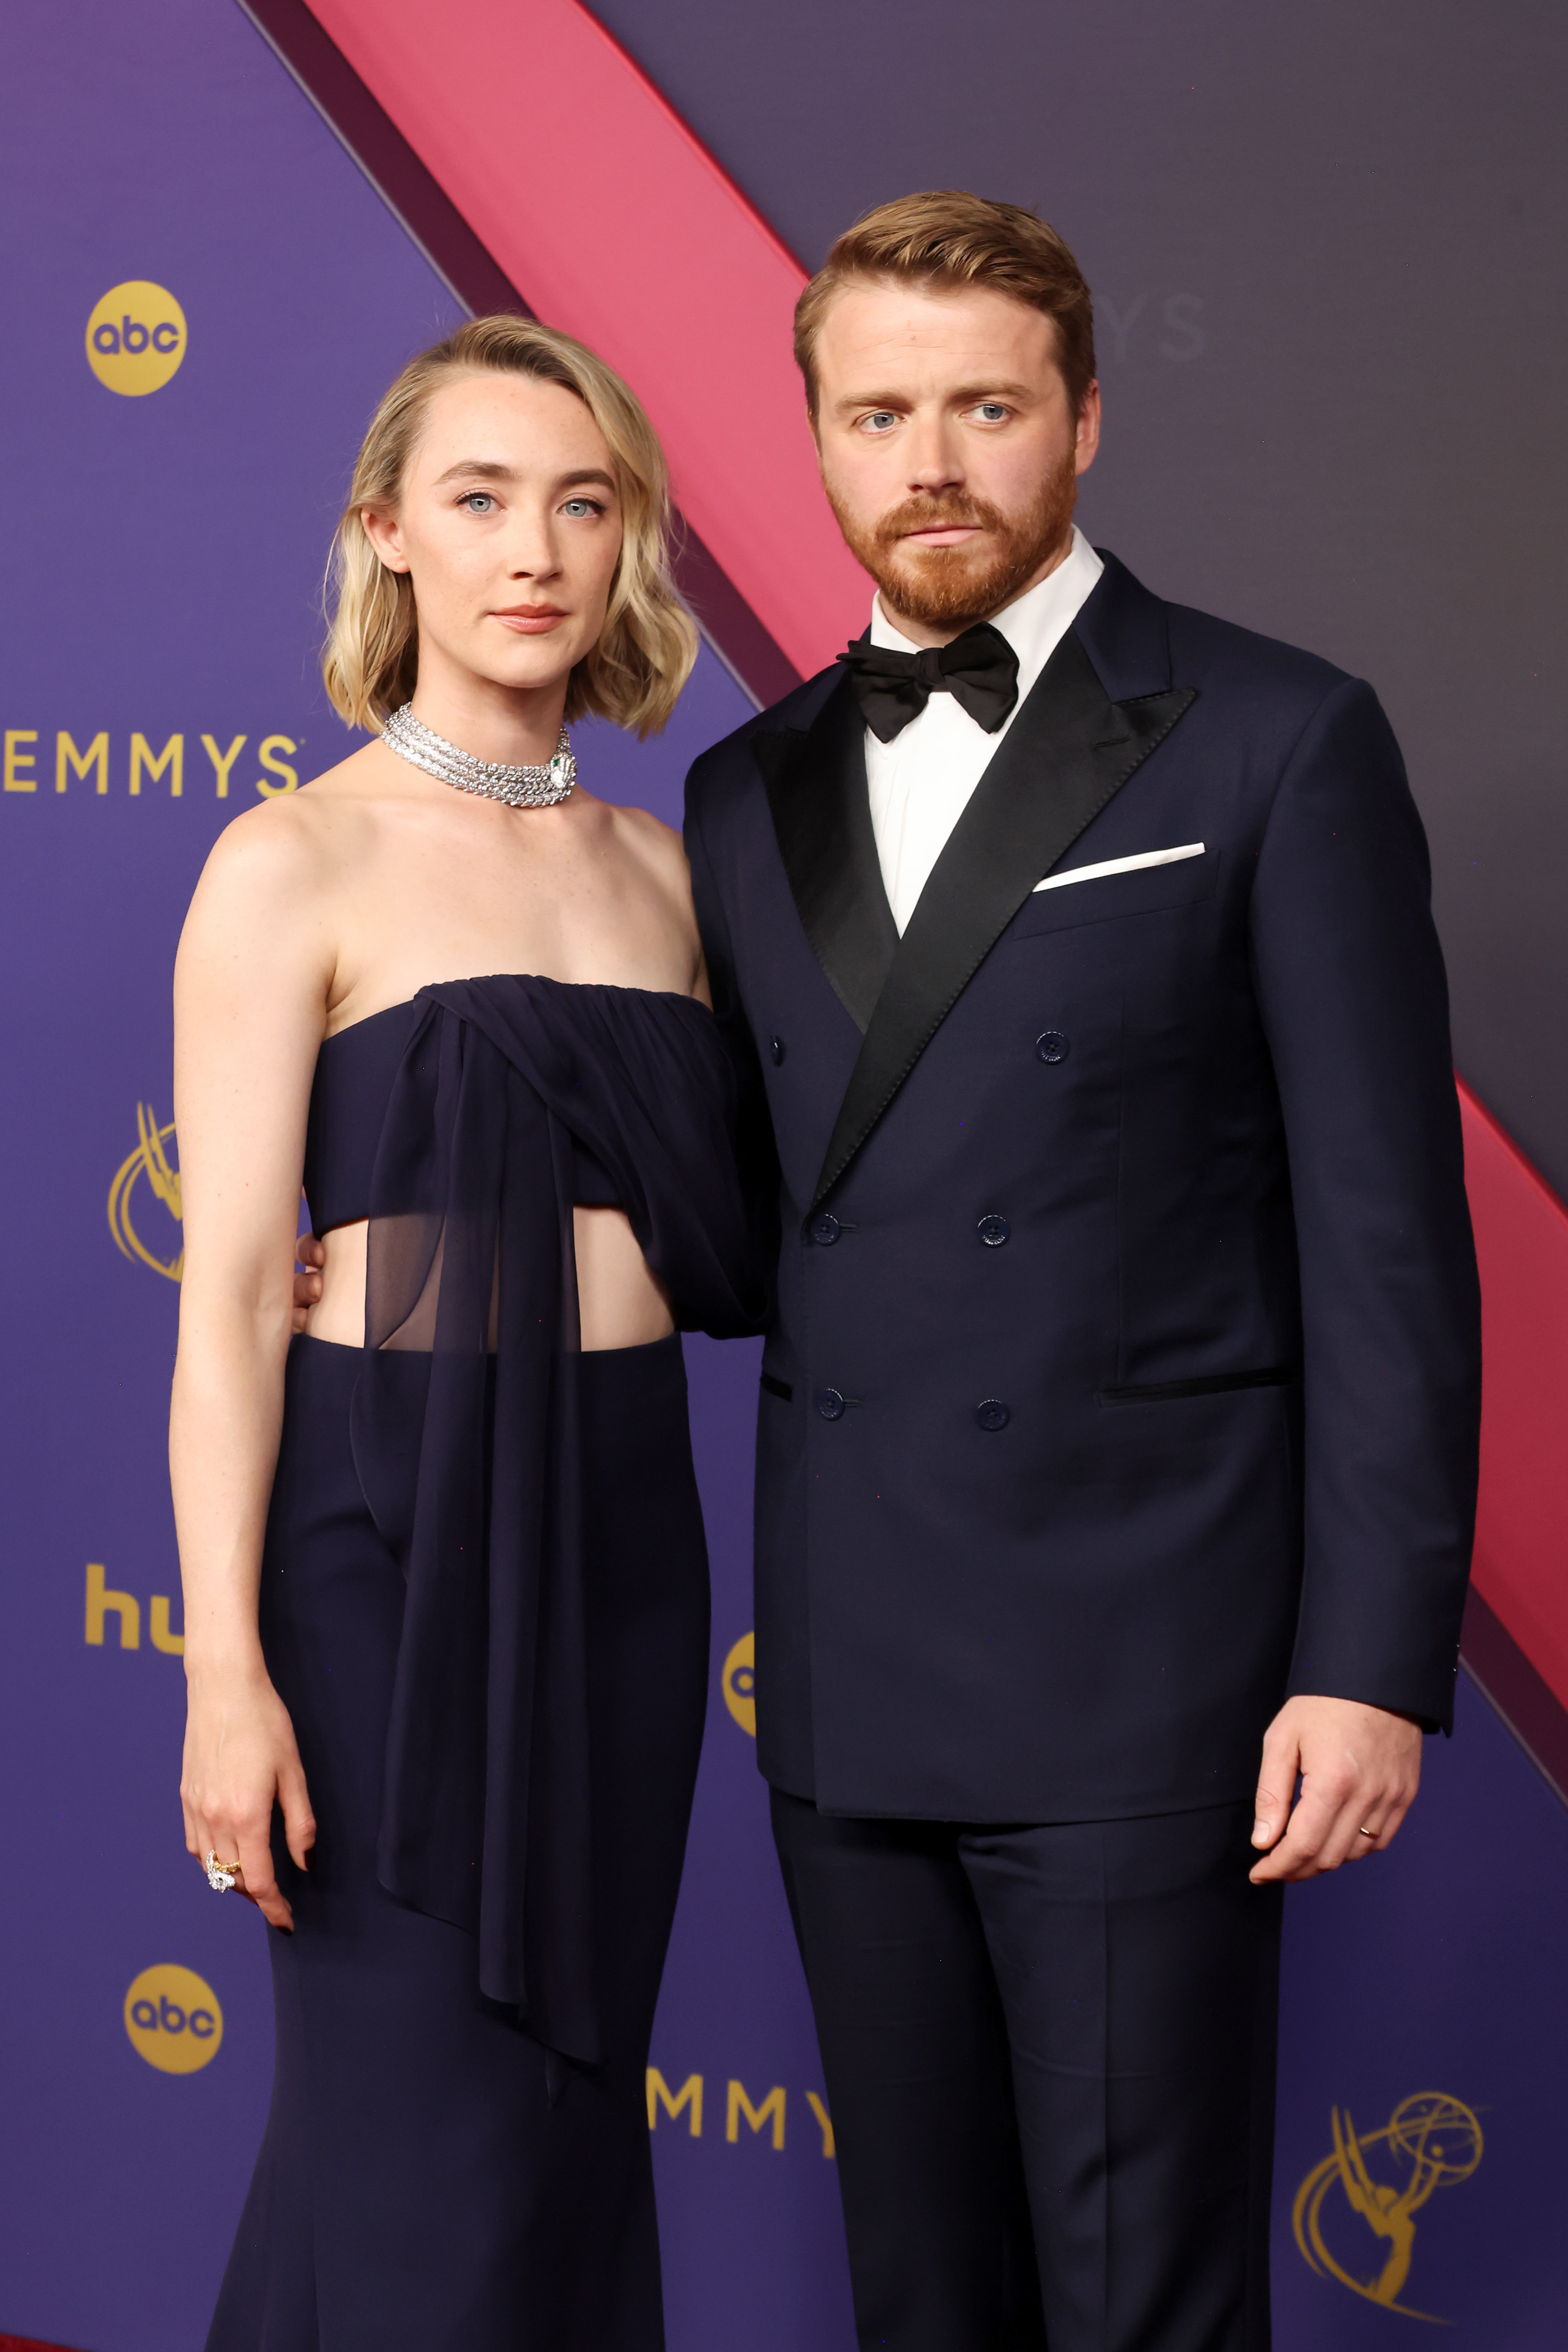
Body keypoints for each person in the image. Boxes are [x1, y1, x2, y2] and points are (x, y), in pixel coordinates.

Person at [680, 193, 1481, 2351]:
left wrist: (1370, 1658)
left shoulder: (1274, 735)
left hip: (1154, 1671)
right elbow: (750, 1220)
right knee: (919, 2294)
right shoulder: (738, 792)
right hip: (850, 1678)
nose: (927, 458)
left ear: (1085, 420)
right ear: (820, 441)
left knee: (1146, 2303)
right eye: (876, 412)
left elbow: (1387, 1238)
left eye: (982, 408)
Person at [172, 314, 760, 2352]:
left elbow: (730, 1237)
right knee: (413, 2132)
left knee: (565, 2128)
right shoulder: (290, 858)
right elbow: (240, 1296)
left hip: (622, 1544)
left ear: (626, 550)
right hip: (386, 1546)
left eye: (582, 503)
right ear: (388, 539)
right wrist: (222, 1674)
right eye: (482, 498)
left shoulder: (666, 879)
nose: (536, 547)